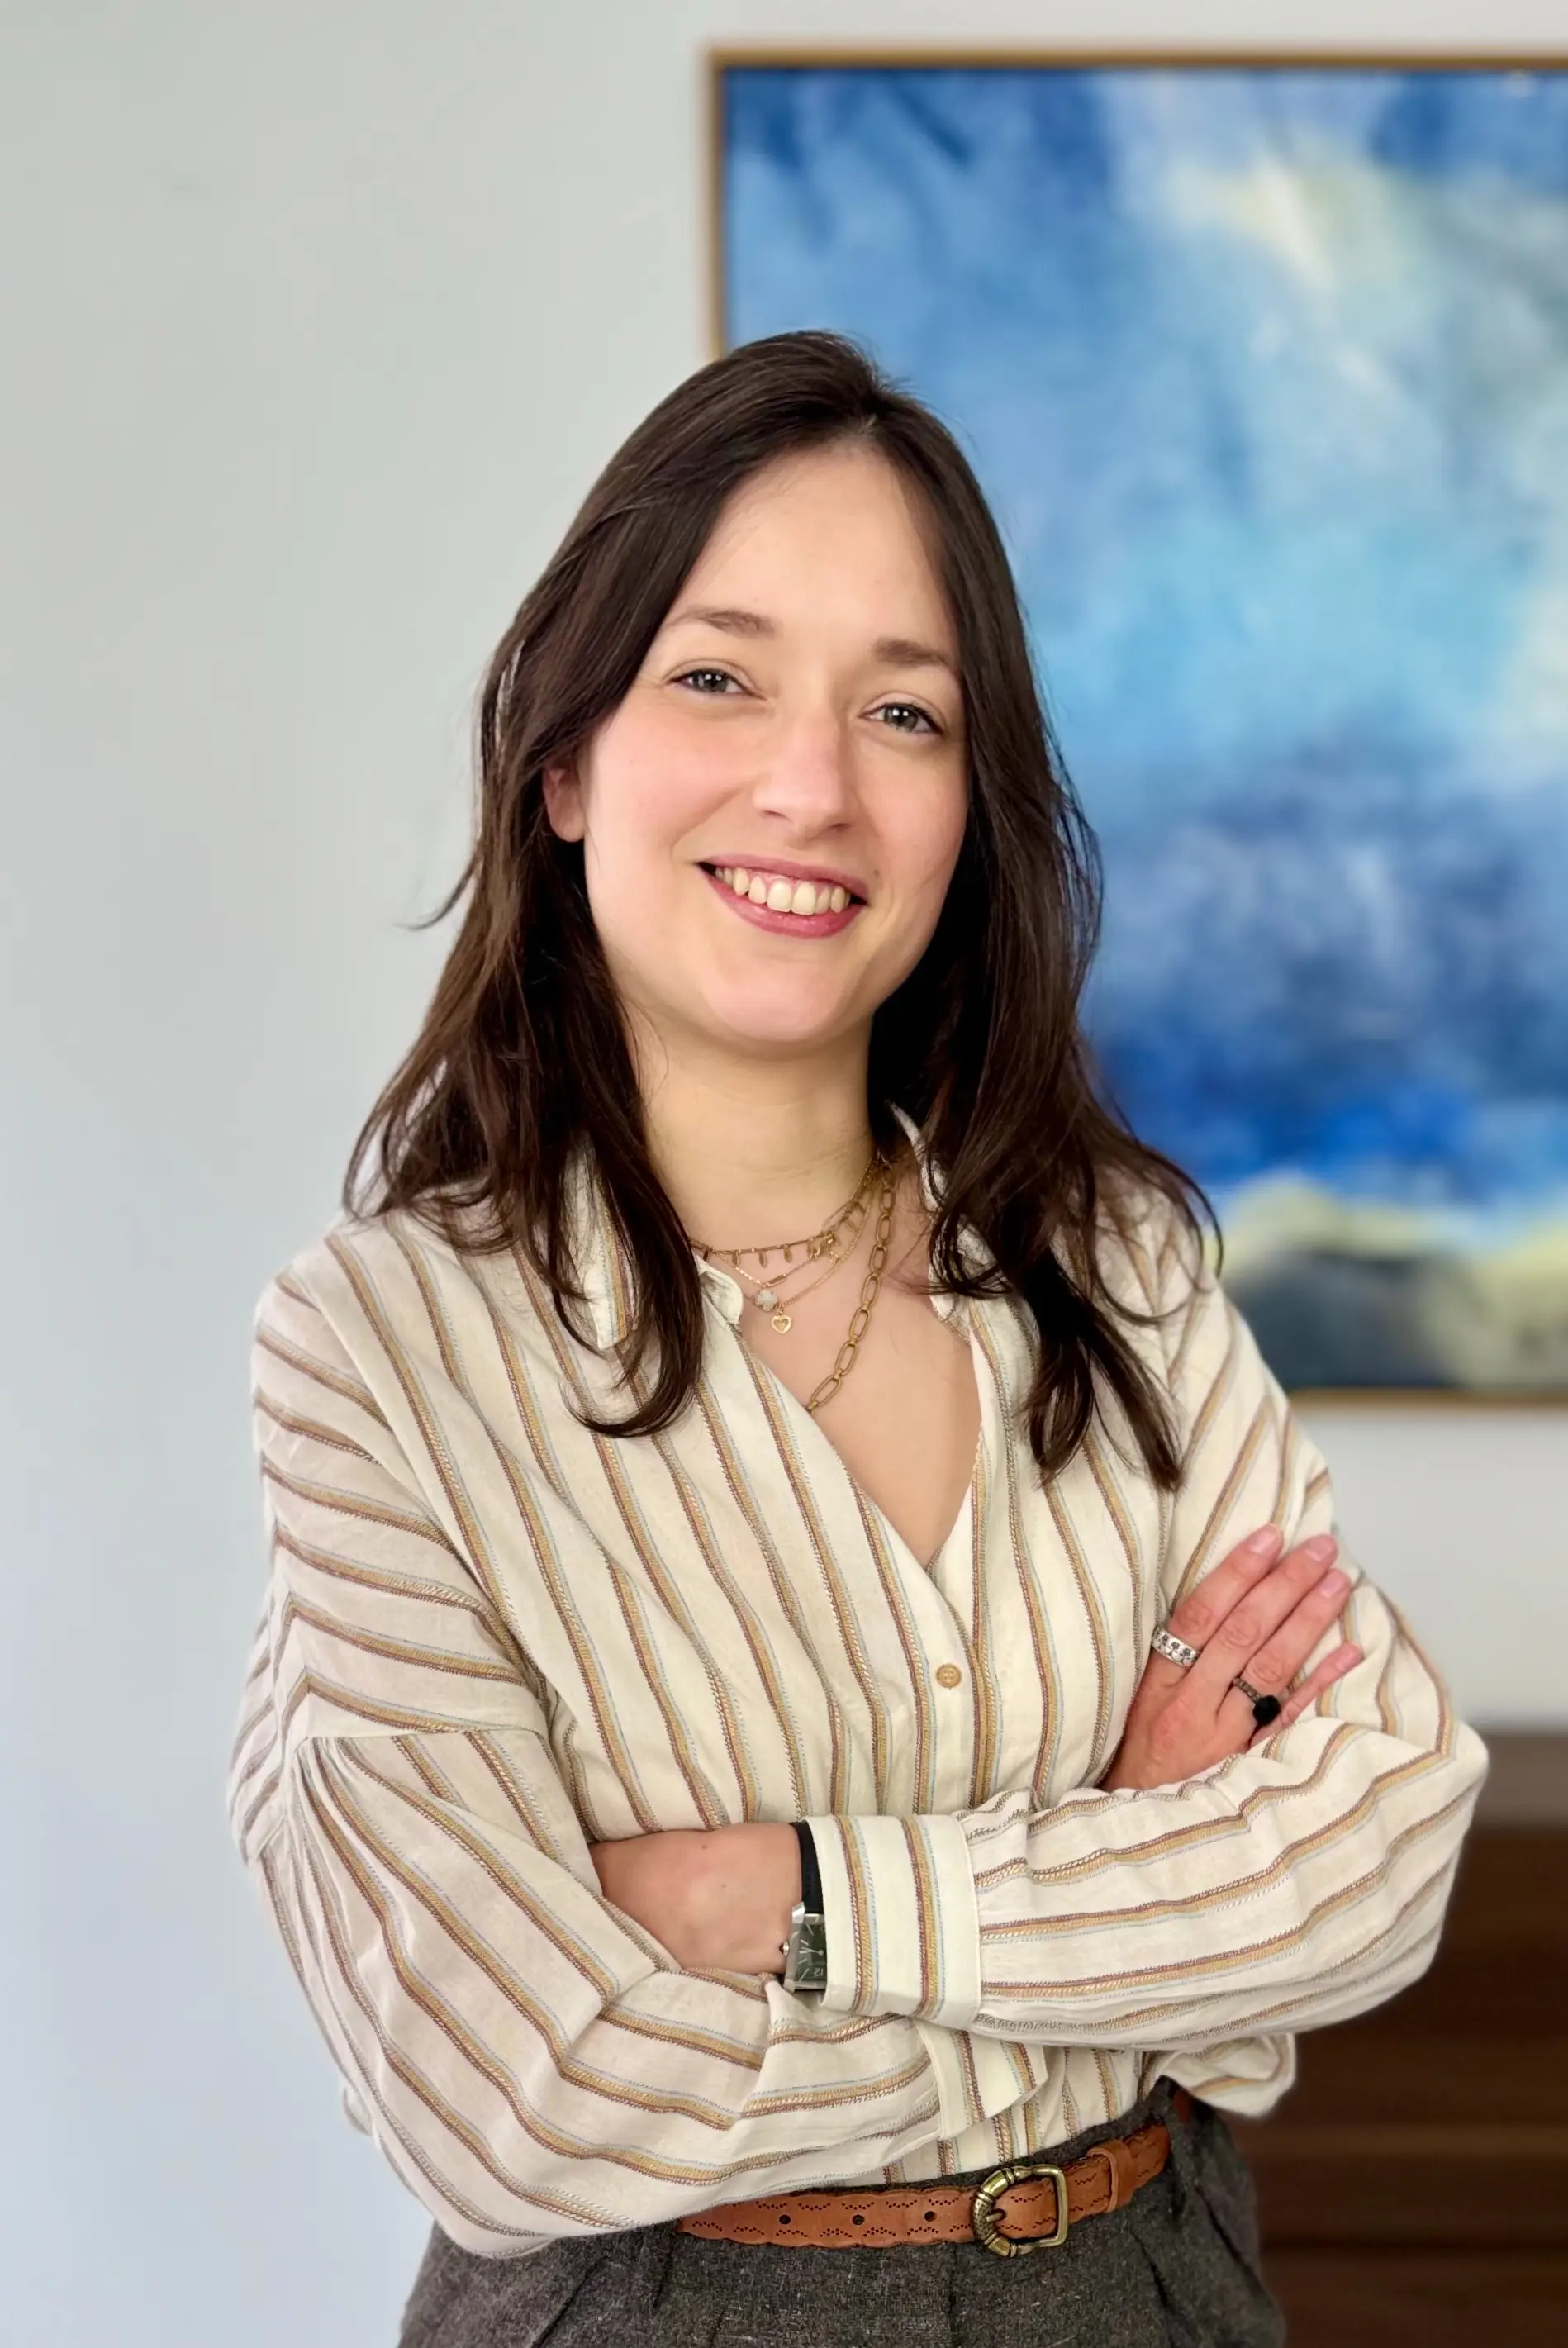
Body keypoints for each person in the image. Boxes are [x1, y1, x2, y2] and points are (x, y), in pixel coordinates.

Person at [226, 330, 1488, 2346]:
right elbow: (524, 2090)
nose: (809, 784)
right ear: (565, 760)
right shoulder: (383, 1349)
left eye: (903, 710)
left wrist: (798, 1896)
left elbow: (1382, 1839)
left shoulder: (1121, 1264)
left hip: (1153, 2291)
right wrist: (1132, 1912)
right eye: (715, 676)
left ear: (967, 802)